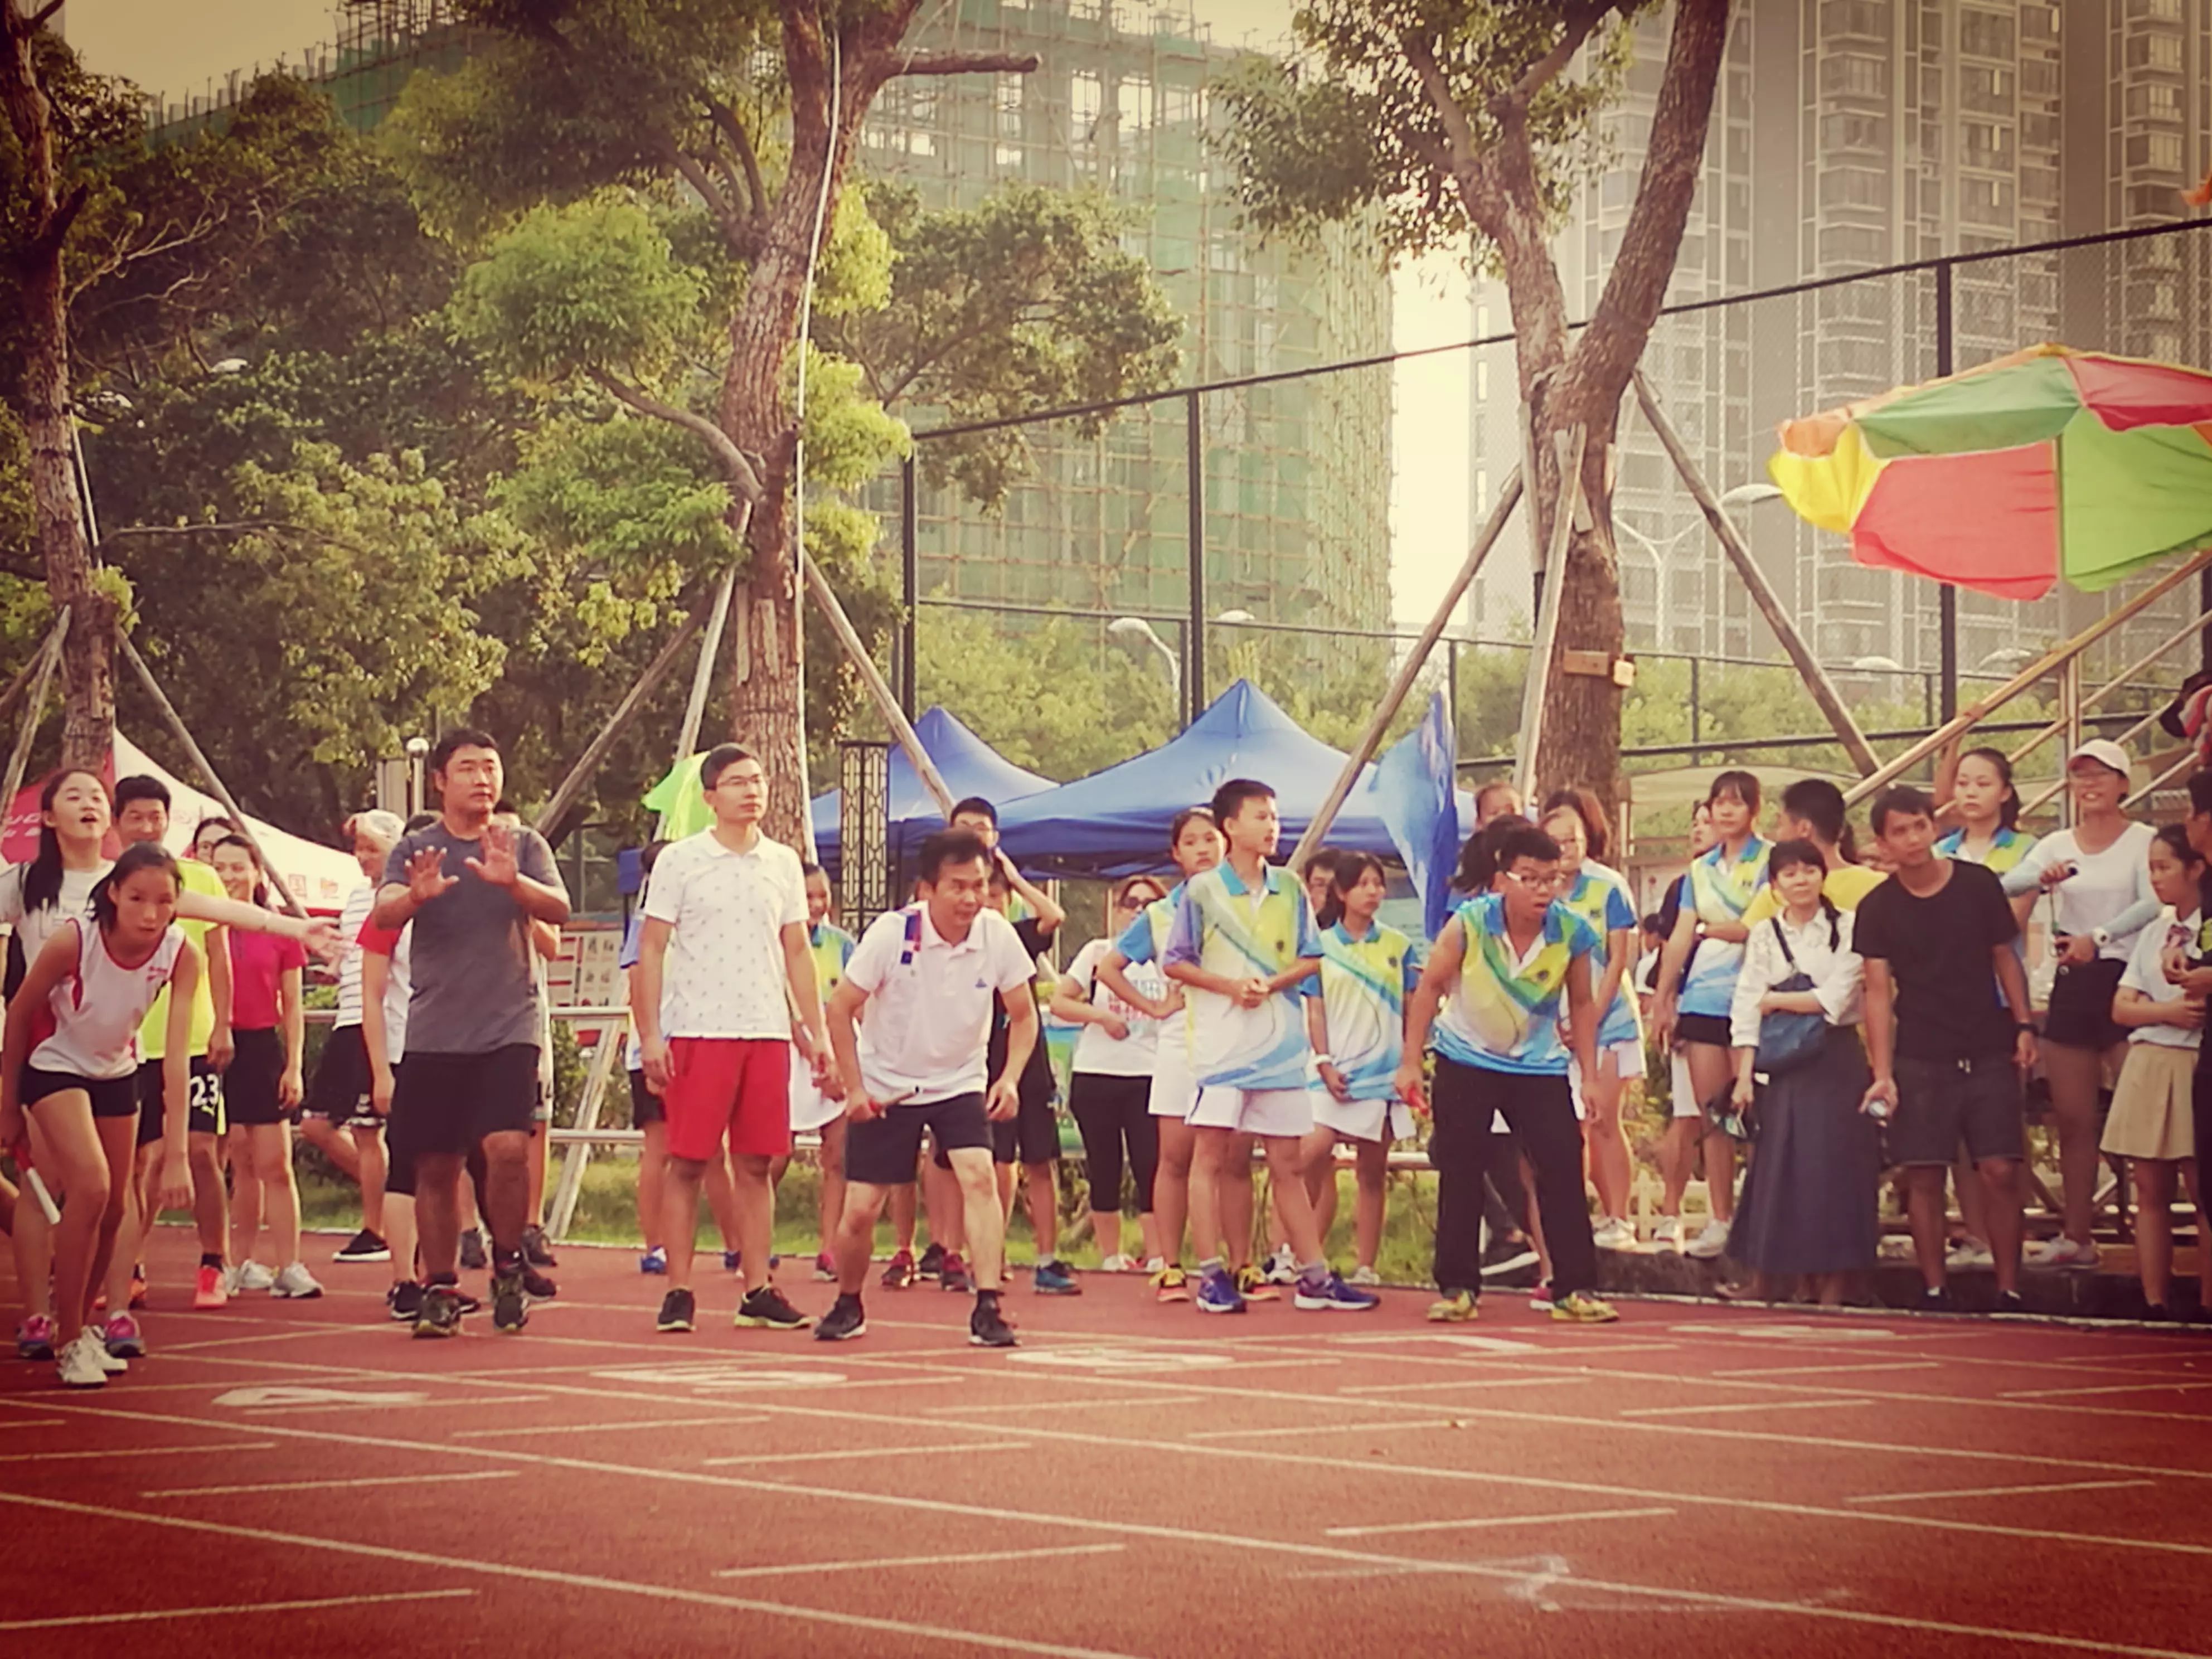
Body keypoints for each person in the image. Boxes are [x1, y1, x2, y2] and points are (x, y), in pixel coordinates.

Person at [375, 730, 571, 1337]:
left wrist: (512, 883)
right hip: (434, 1032)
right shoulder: (415, 848)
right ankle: (438, 1285)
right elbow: (382, 916)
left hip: (509, 1026)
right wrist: (416, 895)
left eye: (491, 767)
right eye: (468, 769)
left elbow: (558, 911)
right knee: (435, 1166)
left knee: (508, 1148)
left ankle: (508, 1263)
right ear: (439, 780)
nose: (482, 779)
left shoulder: (523, 843)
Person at [632, 743, 829, 1335]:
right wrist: (650, 1035)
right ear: (710, 796)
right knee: (688, 1161)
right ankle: (679, 1290)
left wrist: (814, 1033)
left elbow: (796, 949)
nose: (752, 791)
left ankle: (757, 1288)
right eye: (738, 781)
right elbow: (652, 947)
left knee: (756, 1162)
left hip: (765, 1031)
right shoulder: (681, 862)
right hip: (698, 1030)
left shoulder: (783, 862)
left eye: (759, 779)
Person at [1163, 778, 1375, 1314]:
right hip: (1222, 1050)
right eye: (1260, 816)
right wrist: (1230, 988)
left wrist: (1272, 986)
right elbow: (1176, 961)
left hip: (1281, 1049)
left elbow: (1310, 958)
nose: (1272, 826)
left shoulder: (1290, 888)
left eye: (1275, 817)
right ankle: (1211, 1274)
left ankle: (1314, 1276)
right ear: (1230, 826)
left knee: (1286, 1162)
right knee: (1209, 1157)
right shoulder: (1203, 891)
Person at [817, 828, 1035, 1347]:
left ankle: (987, 1305)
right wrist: (853, 1088)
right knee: (862, 1209)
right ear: (927, 889)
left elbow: (1024, 1017)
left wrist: (1009, 1078)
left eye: (979, 886)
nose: (970, 898)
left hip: (960, 1080)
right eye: (957, 886)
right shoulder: (892, 935)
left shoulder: (997, 935)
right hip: (889, 1083)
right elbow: (840, 1008)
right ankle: (849, 1301)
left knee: (980, 1177)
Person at [1400, 818, 1618, 1325]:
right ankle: (1458, 1287)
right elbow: (1430, 988)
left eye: (1552, 878)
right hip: (1466, 1058)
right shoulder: (1470, 923)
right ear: (1503, 879)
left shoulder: (1573, 932)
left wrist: (1589, 1076)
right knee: (1461, 1168)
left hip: (1538, 1065)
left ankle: (1575, 1287)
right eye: (1530, 878)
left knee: (1562, 1165)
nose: (1543, 889)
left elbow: (1582, 1004)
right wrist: (1411, 1061)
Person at [0, 845, 200, 1386]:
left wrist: (178, 1153)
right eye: (137, 897)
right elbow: (19, 1013)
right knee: (89, 1185)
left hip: (116, 1070)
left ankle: (81, 1326)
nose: (151, 913)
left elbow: (177, 1059)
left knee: (115, 1206)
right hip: (54, 1063)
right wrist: (7, 1104)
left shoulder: (182, 953)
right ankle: (66, 1338)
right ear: (113, 893)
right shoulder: (74, 938)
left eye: (164, 901)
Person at [1856, 786, 2035, 1311]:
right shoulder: (1877, 907)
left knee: (2001, 1168)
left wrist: (2023, 1025)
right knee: (1924, 1172)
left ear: (1933, 827)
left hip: (1987, 1045)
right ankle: (1934, 1287)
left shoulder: (1978, 885)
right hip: (1919, 1053)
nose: (1912, 839)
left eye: (1919, 826)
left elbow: (2005, 957)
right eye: (1899, 831)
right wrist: (1882, 1071)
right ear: (1882, 842)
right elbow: (1876, 991)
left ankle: (2009, 1286)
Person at [2002, 741, 2157, 1270]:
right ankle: (2077, 1236)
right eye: (2080, 777)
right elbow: (2008, 882)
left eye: (2101, 776)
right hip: (2074, 979)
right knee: (2073, 1119)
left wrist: (2099, 934)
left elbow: (2152, 900)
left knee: (2147, 1121)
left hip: (2130, 982)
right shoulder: (2057, 843)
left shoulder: (2144, 841)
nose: (2089, 786)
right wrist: (2040, 878)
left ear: (2123, 783)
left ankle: (2156, 1231)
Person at [1725, 839, 1875, 1306]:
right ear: (1775, 885)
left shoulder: (1850, 927)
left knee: (1834, 1173)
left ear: (1822, 875)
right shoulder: (1765, 934)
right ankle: (1771, 1280)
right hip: (1785, 1069)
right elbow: (1744, 1006)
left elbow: (1836, 1000)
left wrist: (1775, 1000)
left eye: (1808, 870)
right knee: (1778, 1173)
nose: (1800, 880)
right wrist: (1745, 1076)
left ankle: (1834, 1286)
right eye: (1789, 874)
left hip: (1836, 1062)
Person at [113, 775, 235, 1326]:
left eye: (155, 816)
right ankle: (128, 1265)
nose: (146, 825)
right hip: (131, 1043)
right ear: (119, 823)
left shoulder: (202, 876)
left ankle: (213, 1261)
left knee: (201, 1152)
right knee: (140, 1161)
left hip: (192, 1036)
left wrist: (223, 1026)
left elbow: (220, 955)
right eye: (135, 816)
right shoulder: (110, 884)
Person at [2, 770, 112, 1359]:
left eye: (98, 795)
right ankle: (38, 1315)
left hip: (114, 1050)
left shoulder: (124, 883)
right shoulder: (24, 883)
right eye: (74, 796)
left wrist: (292, 926)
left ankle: (90, 1307)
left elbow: (206, 907)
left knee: (108, 1194)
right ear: (47, 818)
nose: (90, 803)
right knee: (45, 1178)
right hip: (45, 1049)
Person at [1094, 807, 1220, 1303]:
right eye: (1191, 842)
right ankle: (1170, 1265)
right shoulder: (1162, 914)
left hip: (1233, 1043)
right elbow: (1109, 968)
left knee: (1229, 1159)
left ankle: (1236, 1265)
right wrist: (1155, 1007)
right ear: (1176, 853)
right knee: (1174, 1157)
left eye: (1211, 838)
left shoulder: (1246, 903)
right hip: (1178, 1045)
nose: (1203, 849)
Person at [1930, 747, 2039, 1274]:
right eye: (1963, 783)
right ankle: (1972, 1232)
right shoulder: (1941, 849)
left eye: (1981, 783)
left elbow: (2009, 925)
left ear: (2005, 792)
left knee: (2000, 1133)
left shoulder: (2026, 850)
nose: (1970, 793)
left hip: (1998, 1002)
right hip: (1942, 1008)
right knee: (1953, 1128)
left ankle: (2006, 1242)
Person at [1652, 772, 1768, 1261]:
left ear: (1755, 810)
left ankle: (1763, 1217)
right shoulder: (1698, 873)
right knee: (1714, 1115)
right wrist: (1664, 995)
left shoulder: (1772, 860)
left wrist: (1710, 928)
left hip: (1760, 999)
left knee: (1763, 1116)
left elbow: (1756, 926)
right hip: (1703, 1000)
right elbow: (1681, 935)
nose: (1725, 812)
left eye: (1736, 803)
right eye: (1719, 803)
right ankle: (1721, 1219)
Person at [1297, 853, 1418, 1285]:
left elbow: (1412, 1010)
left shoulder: (1399, 947)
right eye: (1363, 884)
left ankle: (1366, 1265)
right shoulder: (1320, 947)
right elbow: (1316, 1012)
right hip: (1330, 1075)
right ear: (1343, 893)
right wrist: (1325, 1063)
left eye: (1378, 884)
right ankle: (1296, 1256)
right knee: (1303, 1158)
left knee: (1372, 1171)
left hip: (1381, 1078)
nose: (1373, 892)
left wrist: (1411, 1062)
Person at [2103, 824, 2208, 1320]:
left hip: (2193, 1061)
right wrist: (2162, 1012)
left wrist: (2162, 1003)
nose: (2157, 878)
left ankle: (2209, 1302)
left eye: (2165, 867)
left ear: (2196, 868)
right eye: (2151, 869)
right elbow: (2122, 1008)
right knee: (2150, 1187)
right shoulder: (2153, 930)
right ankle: (2154, 1301)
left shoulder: (2208, 927)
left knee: (2202, 1186)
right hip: (2150, 1058)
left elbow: (2197, 1001)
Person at [207, 836, 318, 1299]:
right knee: (237, 1161)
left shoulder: (281, 932)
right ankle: (236, 1262)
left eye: (239, 867)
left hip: (260, 1047)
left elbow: (293, 1005)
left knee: (275, 1162)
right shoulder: (203, 925)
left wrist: (293, 1065)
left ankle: (289, 1264)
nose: (231, 877)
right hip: (213, 1047)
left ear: (257, 872)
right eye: (221, 867)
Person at [302, 811, 405, 1266]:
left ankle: (376, 1228)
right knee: (316, 1124)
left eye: (372, 848)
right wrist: (333, 968)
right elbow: (353, 959)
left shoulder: (402, 899)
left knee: (369, 1130)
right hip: (347, 1020)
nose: (362, 857)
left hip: (379, 1023)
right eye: (358, 849)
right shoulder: (356, 898)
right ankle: (383, 1202)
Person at [1540, 789, 1641, 1249]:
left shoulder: (1608, 885)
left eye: (1573, 838)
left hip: (1609, 1020)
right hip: (1554, 1030)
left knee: (1604, 1119)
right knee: (1566, 1128)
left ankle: (1619, 1215)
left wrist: (1593, 1016)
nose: (1566, 848)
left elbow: (1620, 957)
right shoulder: (1536, 893)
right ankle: (1575, 1218)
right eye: (1556, 840)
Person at [1055, 876, 1169, 1272]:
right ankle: (1109, 1255)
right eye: (1132, 903)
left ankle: (1158, 1253)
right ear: (1117, 909)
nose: (1139, 911)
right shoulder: (1098, 952)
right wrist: (1099, 1016)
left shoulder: (1173, 958)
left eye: (1150, 905)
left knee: (1151, 1164)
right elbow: (1059, 1002)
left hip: (1151, 1074)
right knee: (1104, 1165)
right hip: (1098, 1073)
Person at [772, 862, 856, 1282]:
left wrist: (836, 1059)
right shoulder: (775, 946)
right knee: (774, 1155)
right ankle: (757, 1243)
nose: (817, 905)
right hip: (788, 1058)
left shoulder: (843, 945)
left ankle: (830, 1249)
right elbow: (782, 1007)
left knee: (837, 1155)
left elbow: (853, 1005)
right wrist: (809, 1049)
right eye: (808, 897)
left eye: (823, 896)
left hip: (835, 1055)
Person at [1650, 802, 1716, 1249]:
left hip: (1749, 1014)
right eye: (1694, 823)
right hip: (1693, 1011)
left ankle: (1726, 1216)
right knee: (1689, 1115)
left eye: (1706, 821)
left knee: (1730, 1119)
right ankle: (1670, 1213)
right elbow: (1668, 950)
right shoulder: (1684, 885)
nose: (1698, 830)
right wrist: (1666, 1003)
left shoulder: (1763, 875)